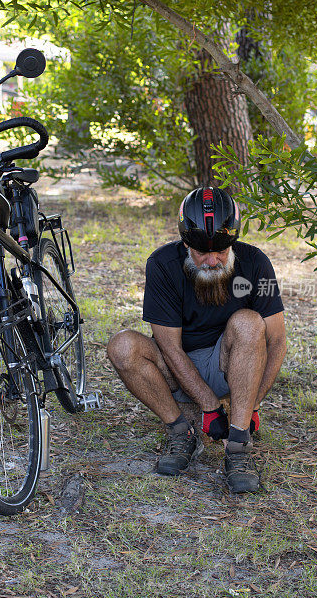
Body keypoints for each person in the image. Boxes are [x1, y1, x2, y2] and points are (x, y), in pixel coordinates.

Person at [107, 186, 286, 493]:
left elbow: (277, 342)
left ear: (233, 241)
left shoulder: (258, 263)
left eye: (221, 251)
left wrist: (254, 402)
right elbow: (169, 348)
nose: (211, 260)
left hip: (230, 364)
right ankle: (180, 430)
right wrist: (209, 406)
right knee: (121, 345)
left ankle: (238, 448)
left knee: (249, 322)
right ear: (185, 241)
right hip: (177, 369)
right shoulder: (161, 264)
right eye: (202, 251)